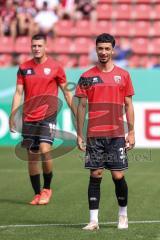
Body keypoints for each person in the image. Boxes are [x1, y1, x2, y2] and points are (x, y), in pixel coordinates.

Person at [75, 33, 135, 230]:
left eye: (107, 48)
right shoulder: (86, 76)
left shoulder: (123, 75)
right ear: (95, 49)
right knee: (96, 174)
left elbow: (128, 105)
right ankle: (93, 221)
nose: (103, 52)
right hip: (94, 135)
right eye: (100, 48)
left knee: (118, 176)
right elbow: (81, 107)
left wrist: (132, 131)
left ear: (113, 50)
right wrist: (80, 134)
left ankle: (123, 215)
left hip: (117, 134)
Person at [9, 33, 77, 205]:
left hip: (48, 116)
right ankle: (37, 193)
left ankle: (47, 188)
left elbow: (66, 93)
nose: (37, 49)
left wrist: (76, 112)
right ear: (31, 47)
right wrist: (12, 116)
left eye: (40, 46)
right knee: (32, 157)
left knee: (45, 151)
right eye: (34, 46)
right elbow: (18, 93)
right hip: (29, 117)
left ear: (46, 46)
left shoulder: (56, 67)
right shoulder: (24, 67)